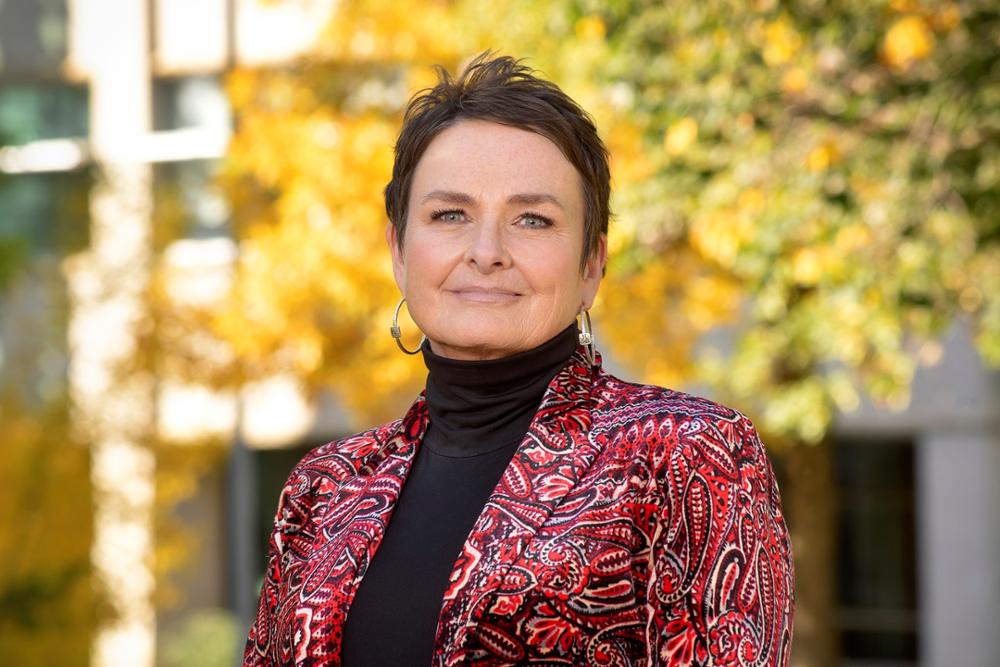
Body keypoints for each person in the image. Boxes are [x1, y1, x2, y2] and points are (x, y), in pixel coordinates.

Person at [244, 52, 794, 667]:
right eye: (450, 214)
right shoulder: (325, 486)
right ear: (399, 250)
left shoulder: (686, 453)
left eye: (533, 219)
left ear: (592, 265)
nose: (487, 251)